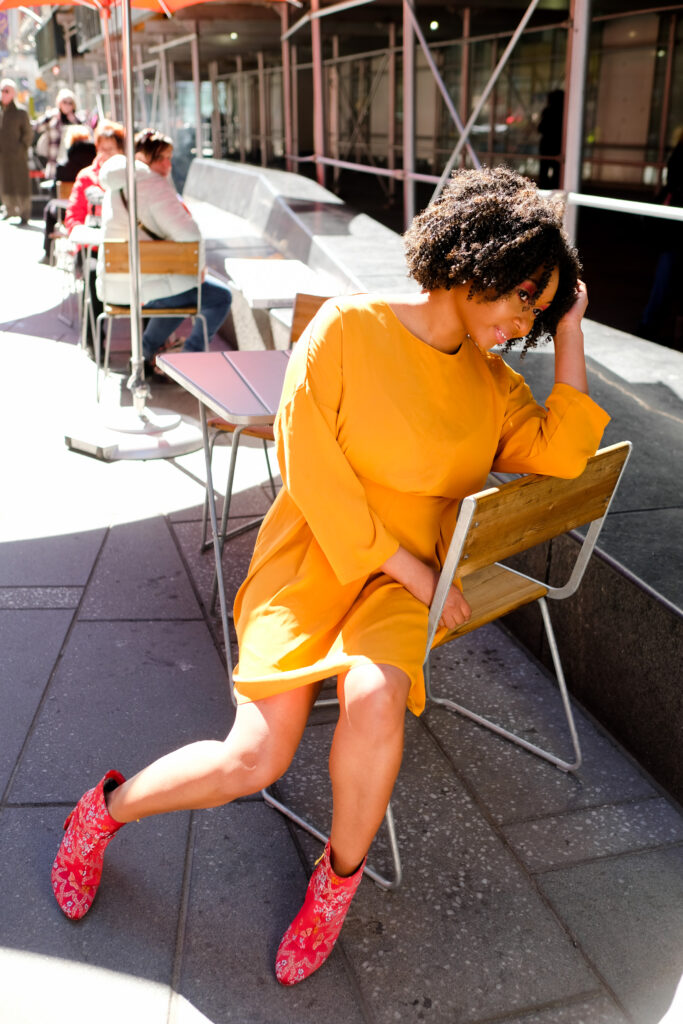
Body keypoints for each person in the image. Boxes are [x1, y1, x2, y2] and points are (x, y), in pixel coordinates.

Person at [51, 166, 610, 986]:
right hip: (317, 559)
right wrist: (415, 575)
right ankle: (101, 815)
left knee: (378, 696)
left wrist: (569, 332)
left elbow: (564, 453)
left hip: (396, 584)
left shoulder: (491, 386)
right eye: (522, 295)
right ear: (471, 258)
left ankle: (336, 884)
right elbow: (307, 468)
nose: (521, 317)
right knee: (255, 760)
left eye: (538, 304)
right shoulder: (348, 329)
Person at [95, 128, 232, 378]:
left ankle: (145, 351)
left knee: (177, 291)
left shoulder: (117, 185)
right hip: (147, 285)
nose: (168, 164)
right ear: (144, 158)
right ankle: (189, 359)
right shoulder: (153, 185)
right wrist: (198, 268)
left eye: (169, 157)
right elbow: (189, 235)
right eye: (161, 158)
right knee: (218, 296)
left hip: (117, 287)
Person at [64, 120, 125, 347]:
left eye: (112, 149)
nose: (106, 154)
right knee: (93, 276)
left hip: (124, 245)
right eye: (102, 148)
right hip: (93, 248)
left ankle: (148, 347)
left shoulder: (131, 176)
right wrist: (83, 236)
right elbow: (72, 216)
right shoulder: (87, 176)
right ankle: (93, 340)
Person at [40, 124, 96, 264]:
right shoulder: (96, 166)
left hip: (74, 213)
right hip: (93, 213)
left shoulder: (64, 167)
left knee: (50, 208)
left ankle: (48, 254)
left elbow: (56, 193)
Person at [0, 79, 33, 224]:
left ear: (13, 93)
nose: (3, 94)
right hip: (3, 156)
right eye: (1, 90)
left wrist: (21, 148)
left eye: (6, 91)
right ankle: (9, 210)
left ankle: (24, 213)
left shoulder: (20, 113)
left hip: (18, 156)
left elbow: (28, 134)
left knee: (21, 185)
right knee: (5, 183)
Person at [34, 87, 82, 181]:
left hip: (72, 163)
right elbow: (36, 127)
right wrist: (49, 117)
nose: (67, 105)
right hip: (54, 162)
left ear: (74, 105)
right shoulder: (53, 118)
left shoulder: (77, 120)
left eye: (70, 103)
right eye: (64, 102)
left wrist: (75, 121)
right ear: (59, 103)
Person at [537, 89, 564, 190]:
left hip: (547, 146)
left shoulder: (548, 111)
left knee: (544, 171)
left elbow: (541, 128)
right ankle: (553, 190)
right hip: (557, 146)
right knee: (557, 172)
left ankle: (545, 191)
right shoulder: (564, 113)